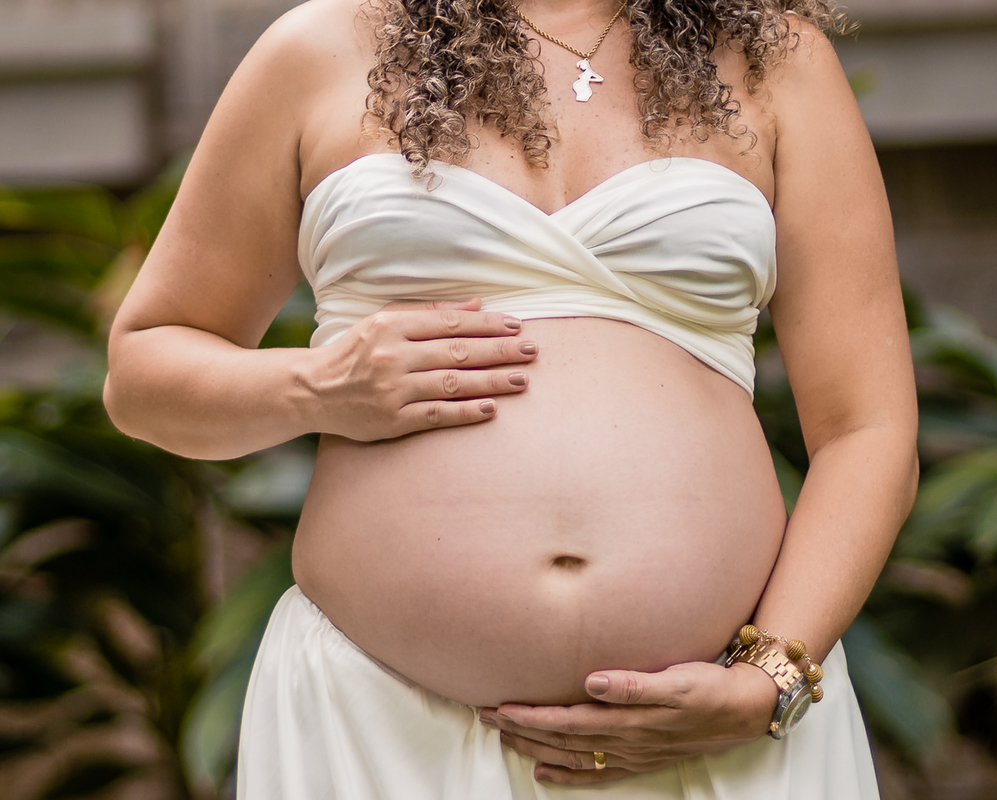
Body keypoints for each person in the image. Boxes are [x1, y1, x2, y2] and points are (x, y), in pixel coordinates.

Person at [104, 0, 918, 796]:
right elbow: (142, 375)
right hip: (380, 730)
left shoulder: (776, 62)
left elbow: (866, 427)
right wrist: (318, 388)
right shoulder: (321, 48)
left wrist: (769, 678)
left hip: (713, 736)